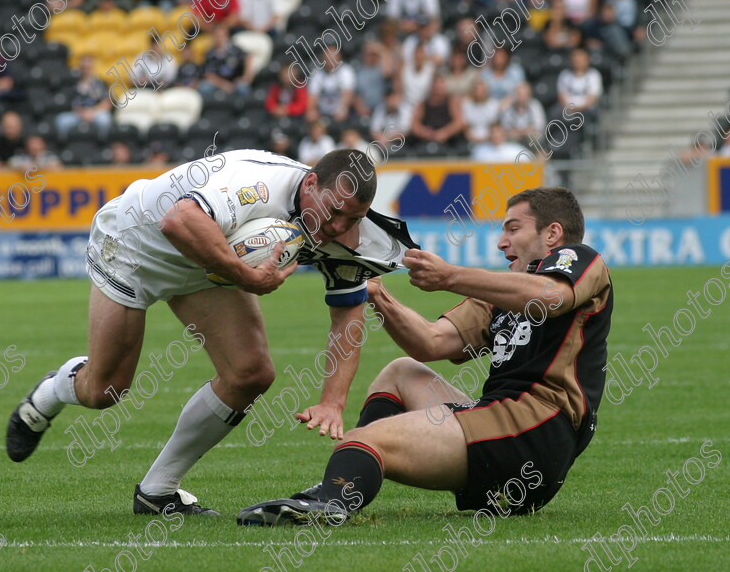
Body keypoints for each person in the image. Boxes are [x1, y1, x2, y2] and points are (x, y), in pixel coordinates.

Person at [5, 148, 418, 517]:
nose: (338, 227)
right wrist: (247, 277)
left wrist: (333, 401)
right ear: (310, 183)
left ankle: (158, 491)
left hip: (206, 264)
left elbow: (348, 311)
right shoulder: (256, 182)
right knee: (104, 391)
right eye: (335, 211)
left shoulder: (351, 234)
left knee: (251, 374)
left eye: (354, 218)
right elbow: (178, 220)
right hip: (135, 245)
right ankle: (52, 391)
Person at [238, 187, 613, 525]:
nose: (501, 242)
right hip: (503, 429)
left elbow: (552, 295)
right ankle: (345, 482)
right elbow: (431, 342)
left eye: (513, 229)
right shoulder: (500, 297)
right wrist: (375, 292)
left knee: (367, 440)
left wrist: (450, 276)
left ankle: (331, 502)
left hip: (537, 431)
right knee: (401, 372)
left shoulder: (580, 260)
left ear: (552, 233)